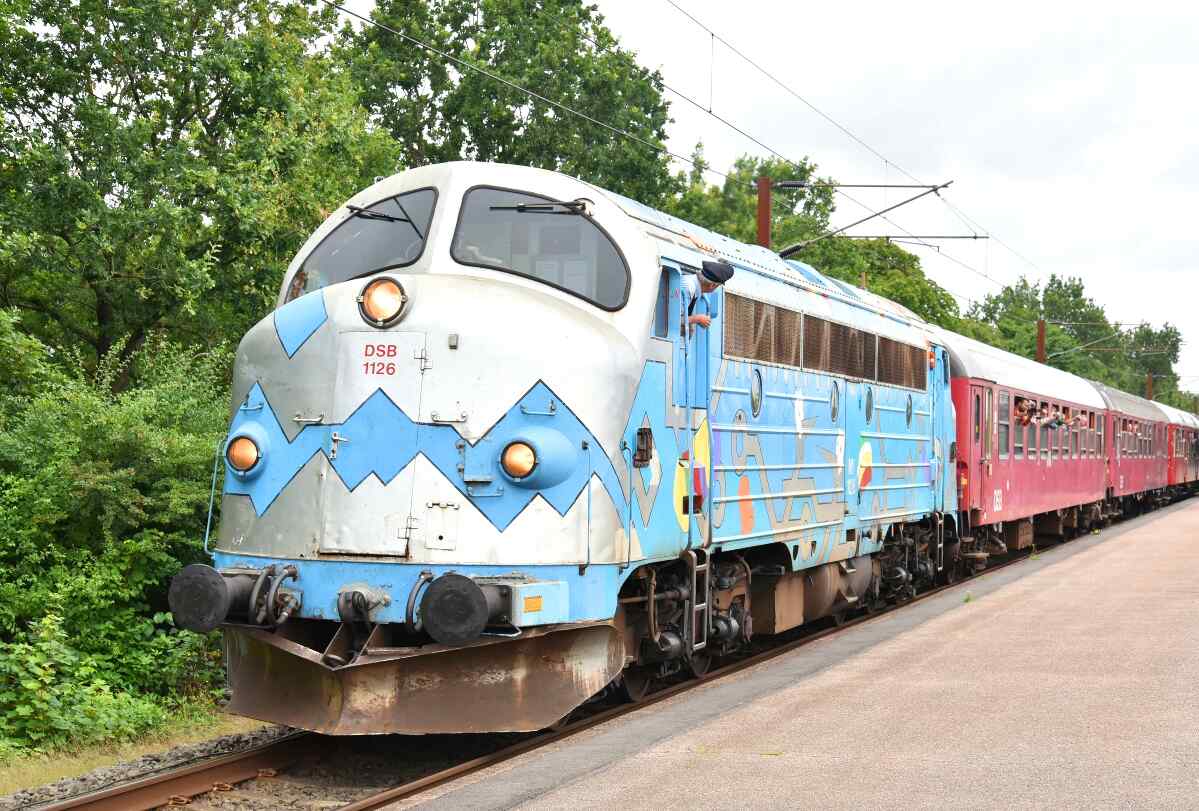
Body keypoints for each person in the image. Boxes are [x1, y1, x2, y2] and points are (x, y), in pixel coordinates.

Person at [683, 259, 734, 334]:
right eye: (718, 286)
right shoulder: (688, 287)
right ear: (712, 285)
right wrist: (697, 319)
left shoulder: (695, 288)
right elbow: (672, 319)